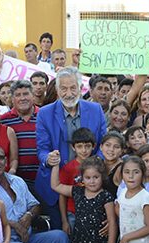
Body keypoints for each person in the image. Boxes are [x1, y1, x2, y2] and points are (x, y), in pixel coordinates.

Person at [36, 67, 108, 228]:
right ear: (56, 89)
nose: (69, 93)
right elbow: (42, 149)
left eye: (73, 88)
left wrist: (95, 165)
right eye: (63, 88)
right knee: (62, 236)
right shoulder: (44, 113)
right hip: (57, 187)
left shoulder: (96, 110)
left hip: (91, 186)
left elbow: (104, 144)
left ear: (80, 88)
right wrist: (48, 158)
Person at [0, 80, 39, 186]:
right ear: (12, 99)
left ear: (33, 96)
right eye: (18, 95)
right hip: (14, 180)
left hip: (42, 179)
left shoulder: (44, 116)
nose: (22, 98)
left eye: (26, 94)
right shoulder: (4, 120)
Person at [58, 128, 95, 234]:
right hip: (73, 213)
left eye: (87, 146)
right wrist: (64, 221)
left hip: (93, 212)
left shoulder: (97, 165)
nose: (84, 150)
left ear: (94, 146)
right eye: (79, 146)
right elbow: (62, 195)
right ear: (73, 147)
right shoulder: (68, 168)